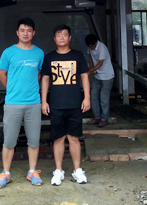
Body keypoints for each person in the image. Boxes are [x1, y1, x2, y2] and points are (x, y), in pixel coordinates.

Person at [0, 18, 45, 189]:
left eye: (29, 30)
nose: (25, 33)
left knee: (34, 140)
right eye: (22, 30)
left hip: (33, 103)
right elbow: (1, 74)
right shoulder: (8, 52)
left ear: (33, 33)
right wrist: (12, 89)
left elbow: (39, 75)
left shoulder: (39, 53)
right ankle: (5, 173)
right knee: (9, 141)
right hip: (13, 103)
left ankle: (32, 171)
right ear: (17, 33)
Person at [41, 24, 90, 186]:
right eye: (58, 35)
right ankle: (58, 170)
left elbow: (84, 77)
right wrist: (44, 101)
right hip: (56, 104)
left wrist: (87, 98)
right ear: (54, 38)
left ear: (70, 38)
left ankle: (77, 170)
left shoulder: (78, 56)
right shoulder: (49, 57)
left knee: (74, 138)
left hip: (75, 103)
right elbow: (45, 79)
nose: (62, 37)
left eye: (64, 35)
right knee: (58, 138)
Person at [86, 34, 114, 128]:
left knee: (103, 98)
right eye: (89, 47)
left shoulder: (102, 48)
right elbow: (90, 57)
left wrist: (90, 71)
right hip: (97, 76)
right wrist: (91, 68)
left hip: (107, 76)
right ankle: (97, 116)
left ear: (96, 43)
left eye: (92, 46)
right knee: (93, 95)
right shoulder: (90, 46)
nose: (90, 48)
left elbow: (100, 63)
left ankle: (104, 119)